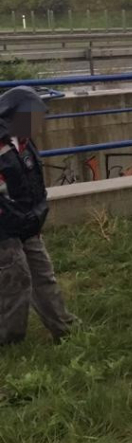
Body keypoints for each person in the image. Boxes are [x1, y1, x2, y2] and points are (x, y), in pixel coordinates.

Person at [0, 87, 78, 346]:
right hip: (5, 230)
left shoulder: (23, 143)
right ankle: (9, 341)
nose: (38, 125)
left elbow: (33, 183)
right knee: (16, 280)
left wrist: (36, 215)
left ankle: (63, 328)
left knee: (43, 274)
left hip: (27, 223)